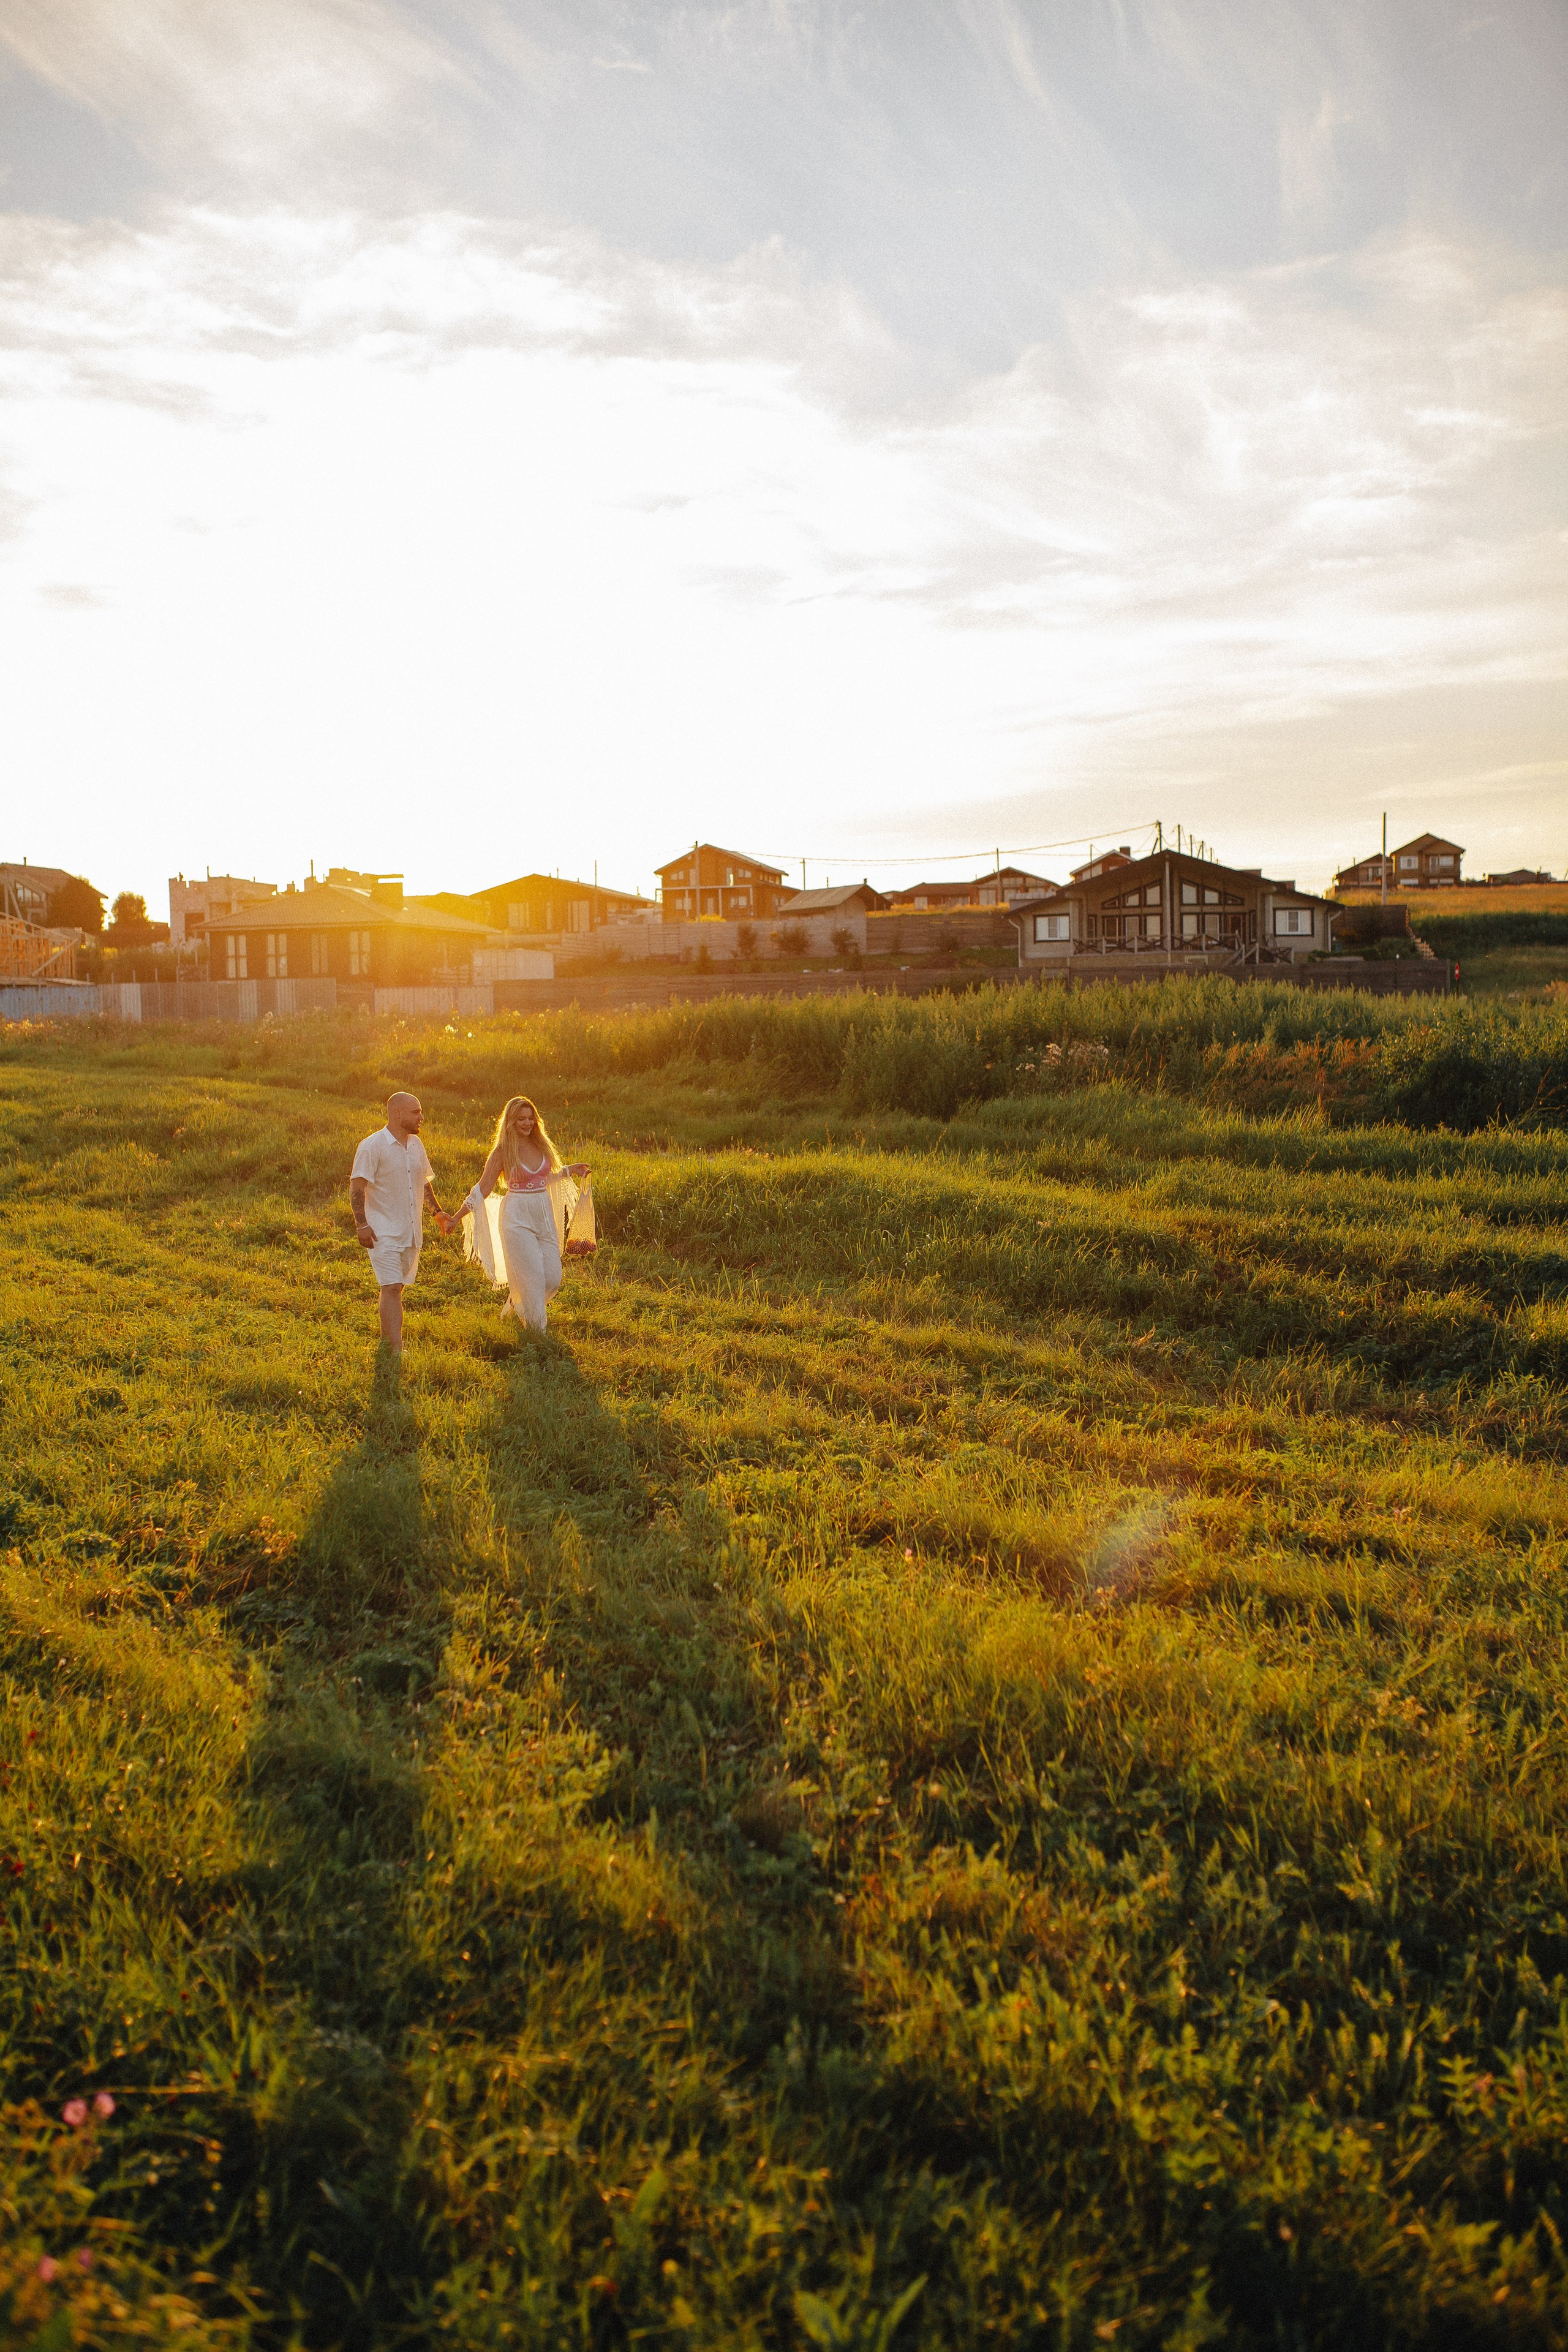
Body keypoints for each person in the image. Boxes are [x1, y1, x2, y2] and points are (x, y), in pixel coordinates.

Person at [461, 1095, 589, 1334]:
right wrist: (458, 1216)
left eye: (531, 1118)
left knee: (552, 1277)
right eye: (521, 1119)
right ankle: (537, 1334)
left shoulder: (541, 1145)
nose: (527, 1123)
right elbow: (484, 1187)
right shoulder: (502, 1151)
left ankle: (515, 1301)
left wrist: (570, 1171)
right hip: (516, 1216)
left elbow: (545, 1177)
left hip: (543, 1213)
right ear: (510, 1121)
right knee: (533, 1278)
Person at [349, 1091, 456, 1352]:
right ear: (397, 1114)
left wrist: (437, 1213)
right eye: (416, 1112)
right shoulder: (371, 1146)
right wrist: (361, 1225)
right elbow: (356, 1188)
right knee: (392, 1287)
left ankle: (390, 1343)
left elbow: (423, 1182)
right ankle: (394, 1349)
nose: (422, 1117)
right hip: (381, 1232)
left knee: (398, 1288)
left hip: (410, 1232)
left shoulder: (416, 1146)